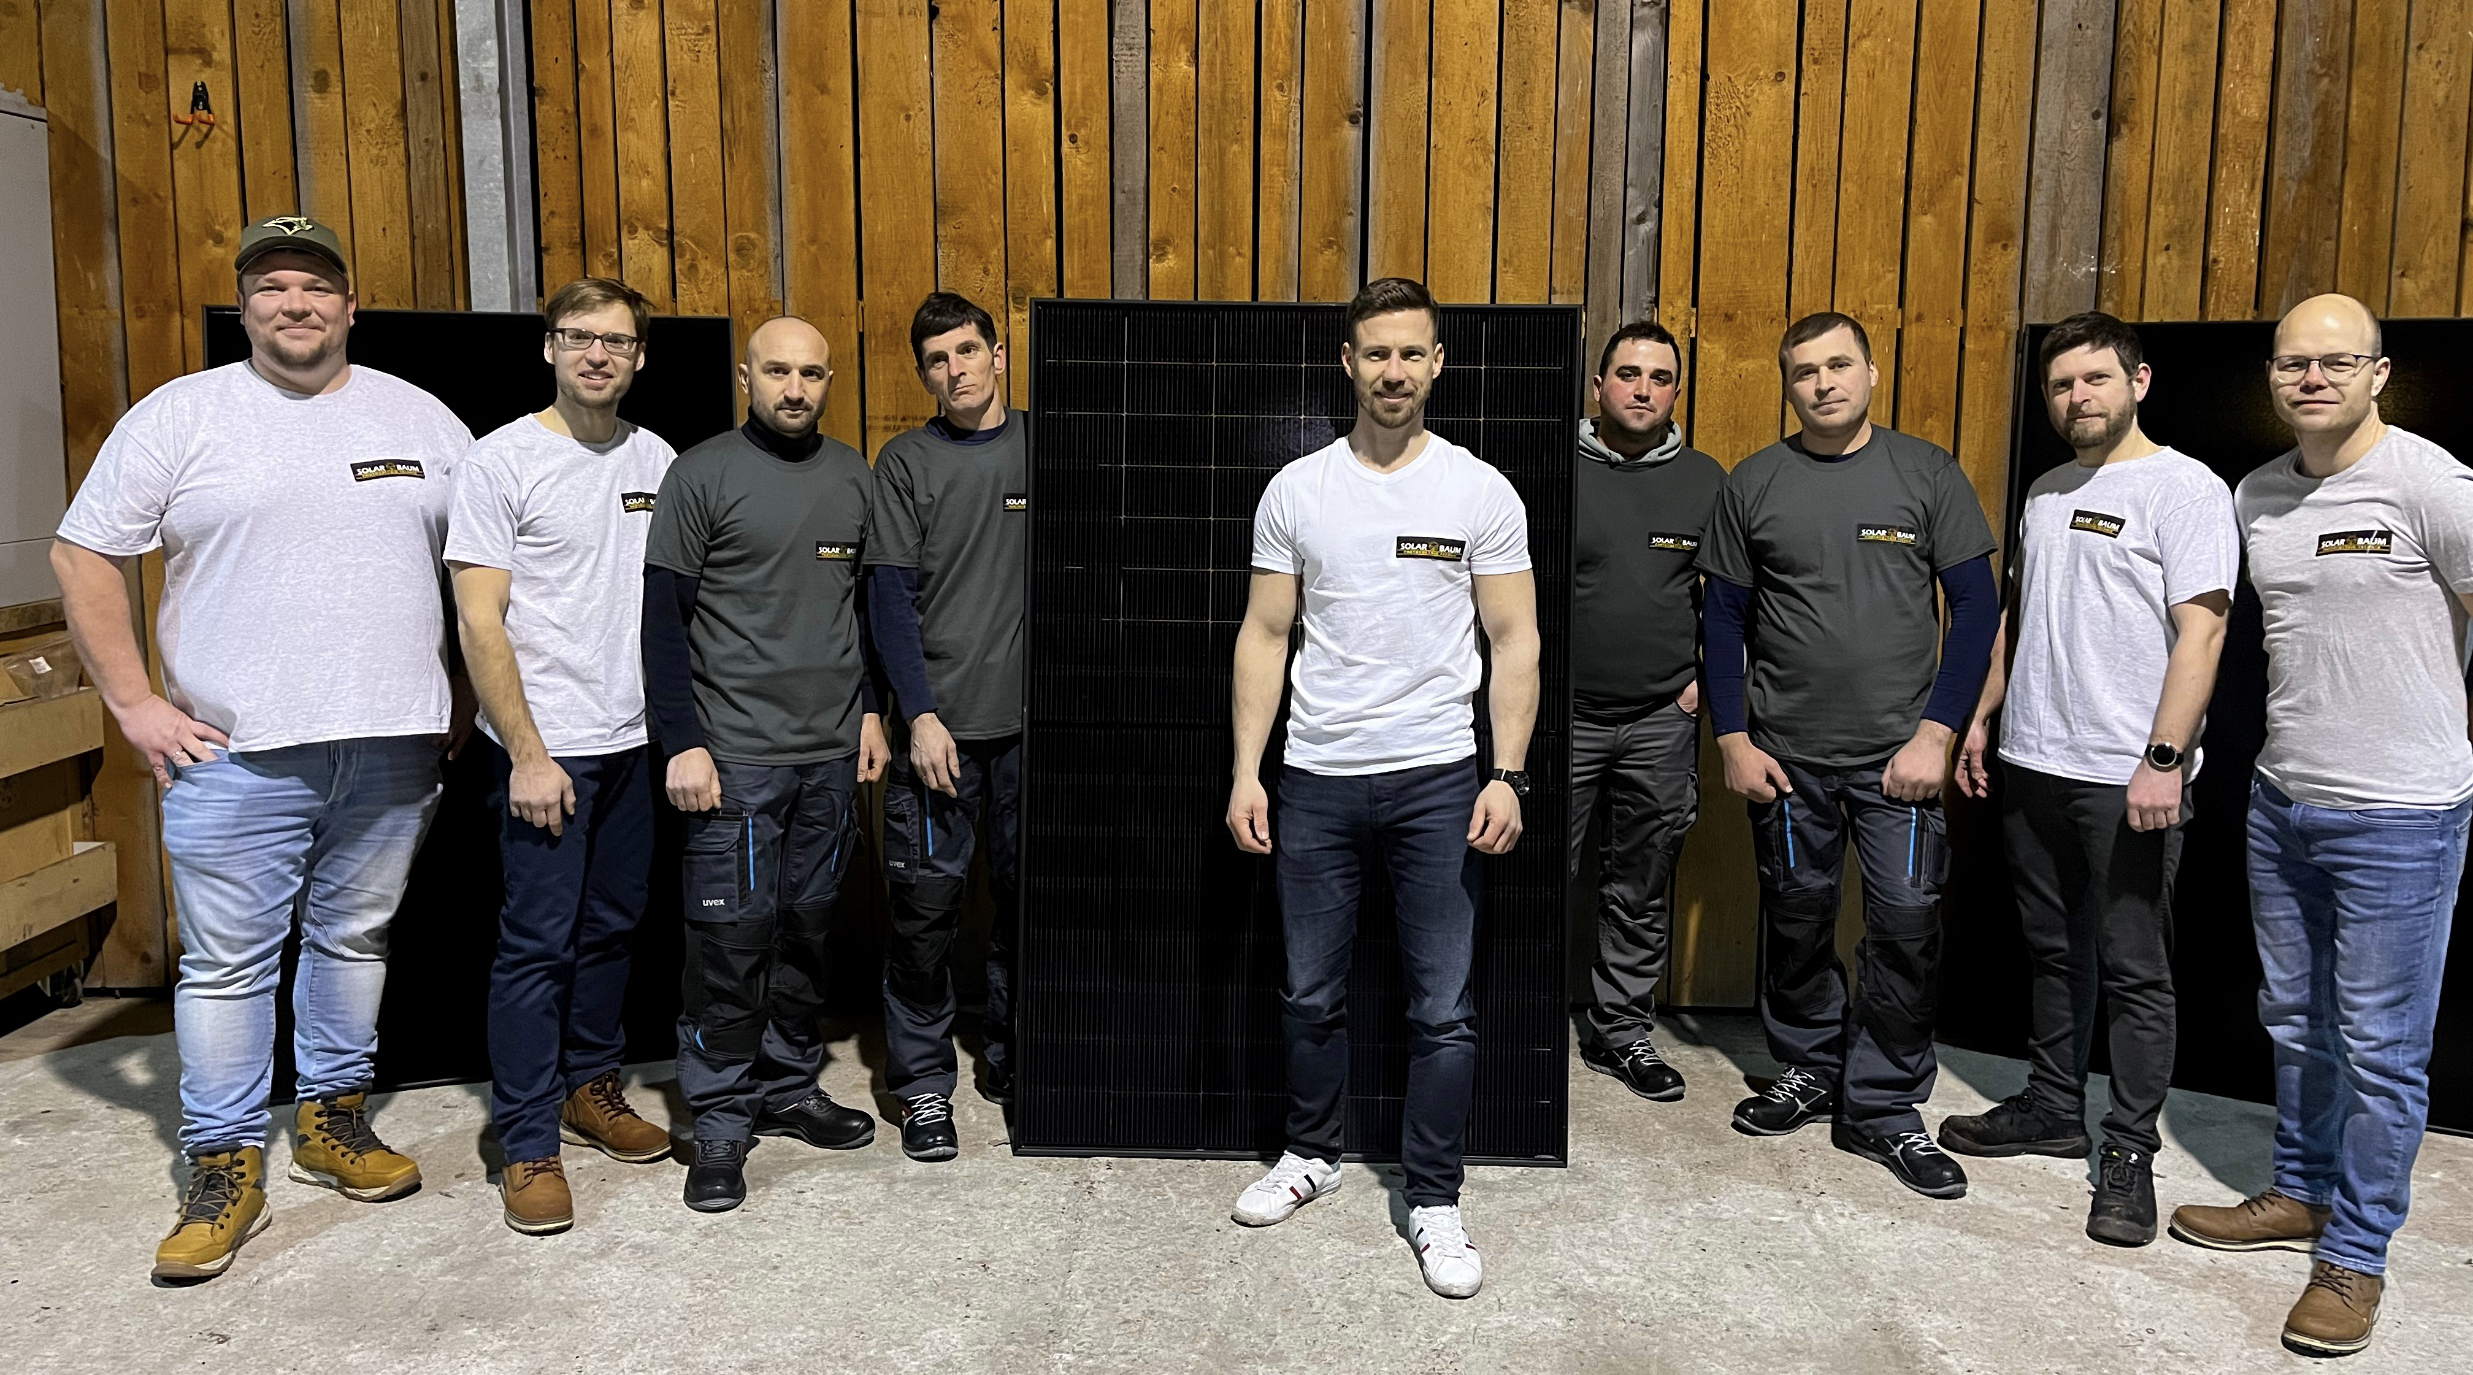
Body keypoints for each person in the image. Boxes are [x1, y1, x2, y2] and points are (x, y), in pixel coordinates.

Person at [51, 214, 474, 1281]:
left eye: (316, 286)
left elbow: (477, 568)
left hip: (393, 745)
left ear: (350, 306)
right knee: (230, 964)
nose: (296, 304)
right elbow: (83, 553)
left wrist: (467, 694)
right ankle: (223, 1159)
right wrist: (135, 704)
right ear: (245, 309)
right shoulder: (181, 415)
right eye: (273, 287)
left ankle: (333, 1120)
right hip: (233, 755)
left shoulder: (421, 416)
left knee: (354, 940)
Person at [2168, 294, 2473, 1359]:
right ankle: (2299, 1192)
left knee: (2382, 1051)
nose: (2312, 378)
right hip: (2281, 800)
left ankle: (2355, 1254)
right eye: (2293, 362)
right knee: (2296, 1019)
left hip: (2400, 816)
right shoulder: (2256, 495)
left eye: (2336, 362)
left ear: (2377, 374)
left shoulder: (2431, 485)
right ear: (2270, 375)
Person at [1224, 277, 1540, 1300]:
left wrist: (1506, 772)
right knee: (1308, 992)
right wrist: (1247, 771)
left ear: (1437, 363)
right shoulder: (1297, 490)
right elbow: (1265, 634)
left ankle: (1434, 1195)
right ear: (1348, 364)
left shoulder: (1479, 492)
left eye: (1411, 353)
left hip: (1439, 782)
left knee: (1441, 1009)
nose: (1393, 371)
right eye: (1376, 353)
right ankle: (1310, 1152)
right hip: (1315, 776)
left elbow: (1515, 639)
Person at [1945, 312, 2236, 1247]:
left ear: (2137, 381)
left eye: (2095, 379)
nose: (2078, 397)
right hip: (2034, 762)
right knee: (2053, 951)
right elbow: (2021, 615)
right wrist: (1983, 716)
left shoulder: (2183, 488)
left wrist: (2162, 758)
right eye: (2062, 384)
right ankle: (2050, 1104)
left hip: (2126, 775)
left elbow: (2203, 631)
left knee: (2134, 967)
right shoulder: (2045, 489)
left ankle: (2128, 1150)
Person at [1699, 310, 1998, 1200]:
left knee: (1904, 927)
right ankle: (1810, 1066)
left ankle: (1883, 1105)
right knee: (1796, 918)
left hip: (1898, 763)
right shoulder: (1754, 482)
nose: (1823, 383)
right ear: (1787, 385)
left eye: (1838, 365)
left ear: (1870, 373)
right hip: (1786, 762)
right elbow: (1721, 618)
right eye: (1804, 371)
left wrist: (1937, 734)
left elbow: (1975, 609)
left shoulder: (1925, 473)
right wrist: (1731, 736)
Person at [643, 316, 889, 1212]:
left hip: (829, 754)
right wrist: (683, 741)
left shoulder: (853, 476)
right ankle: (719, 1116)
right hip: (735, 757)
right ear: (747, 377)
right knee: (728, 943)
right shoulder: (700, 473)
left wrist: (871, 711)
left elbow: (864, 609)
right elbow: (662, 621)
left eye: (811, 373)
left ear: (828, 382)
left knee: (805, 930)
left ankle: (786, 1086)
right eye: (778, 371)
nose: (795, 388)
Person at [448, 277, 677, 1236]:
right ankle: (528, 1137)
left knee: (614, 927)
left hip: (631, 743)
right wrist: (528, 754)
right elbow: (479, 618)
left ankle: (591, 1086)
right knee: (536, 946)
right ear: (549, 346)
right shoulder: (500, 460)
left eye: (616, 341)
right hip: (547, 754)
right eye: (579, 336)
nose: (596, 354)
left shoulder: (657, 459)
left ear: (638, 359)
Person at [865, 292, 1028, 1162]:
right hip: (939, 738)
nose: (955, 369)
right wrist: (919, 715)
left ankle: (1010, 1053)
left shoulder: (1046, 444)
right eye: (937, 359)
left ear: (998, 354)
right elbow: (889, 598)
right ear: (924, 374)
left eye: (968, 351)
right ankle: (923, 1083)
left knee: (1027, 909)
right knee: (924, 918)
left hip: (1032, 738)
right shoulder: (905, 463)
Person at [1568, 321, 1725, 1104]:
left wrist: (1702, 679)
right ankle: (1505, 1023)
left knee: (1641, 879)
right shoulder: (1552, 467)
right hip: (1560, 719)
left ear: (1675, 392)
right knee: (1527, 876)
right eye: (1627, 373)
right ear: (1598, 386)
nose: (1641, 389)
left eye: (1658, 377)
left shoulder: (1703, 480)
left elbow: (1731, 598)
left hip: (1660, 719)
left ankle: (1619, 1031)